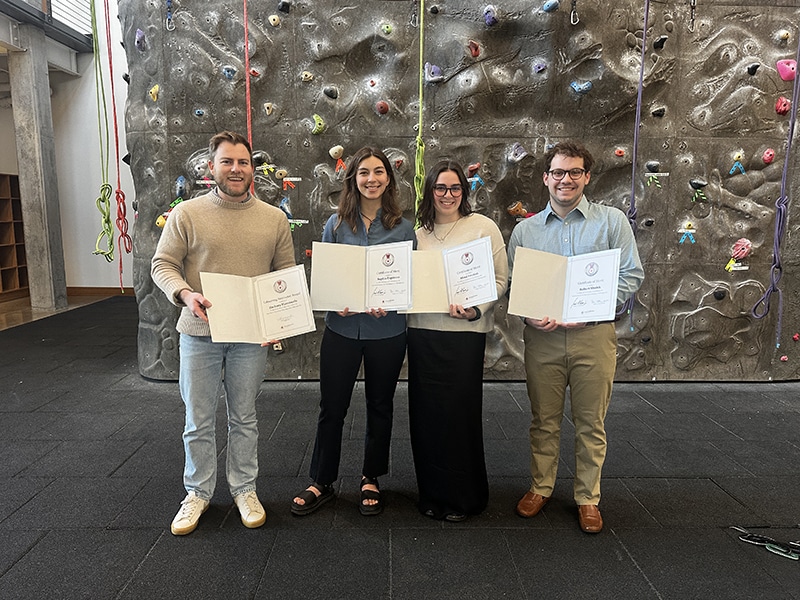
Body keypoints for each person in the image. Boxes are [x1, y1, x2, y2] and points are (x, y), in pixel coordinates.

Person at [151, 131, 296, 535]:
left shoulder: (274, 219)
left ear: (253, 168)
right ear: (210, 167)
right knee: (197, 418)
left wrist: (279, 322)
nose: (236, 169)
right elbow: (163, 264)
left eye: (243, 162)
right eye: (227, 162)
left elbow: (284, 274)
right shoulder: (187, 214)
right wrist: (184, 293)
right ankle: (196, 493)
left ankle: (244, 488)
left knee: (244, 417)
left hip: (250, 337)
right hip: (199, 332)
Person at [507, 141, 644, 533]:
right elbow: (515, 283)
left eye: (574, 173)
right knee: (543, 420)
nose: (565, 180)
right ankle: (541, 487)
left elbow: (631, 274)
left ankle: (588, 497)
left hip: (594, 337)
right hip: (543, 340)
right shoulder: (525, 230)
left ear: (586, 176)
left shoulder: (612, 222)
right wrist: (530, 316)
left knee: (590, 422)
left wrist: (593, 309)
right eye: (558, 173)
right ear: (545, 177)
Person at [291, 147, 415, 517]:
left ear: (388, 179)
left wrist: (391, 302)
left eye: (379, 172)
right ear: (353, 178)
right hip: (342, 329)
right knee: (332, 407)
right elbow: (327, 277)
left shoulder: (404, 227)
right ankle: (322, 480)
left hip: (387, 330)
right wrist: (336, 298)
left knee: (380, 405)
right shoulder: (336, 225)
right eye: (364, 172)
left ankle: (371, 477)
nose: (372, 179)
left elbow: (408, 283)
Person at [407, 160, 508, 522]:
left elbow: (499, 280)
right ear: (430, 192)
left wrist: (476, 309)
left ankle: (466, 497)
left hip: (465, 335)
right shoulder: (416, 233)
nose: (447, 195)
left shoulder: (483, 228)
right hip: (422, 333)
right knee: (426, 417)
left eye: (454, 189)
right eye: (440, 188)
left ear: (464, 192)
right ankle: (431, 494)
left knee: (460, 415)